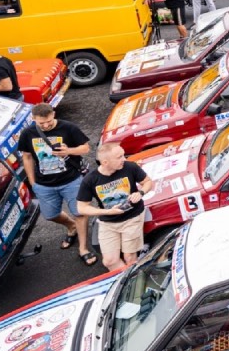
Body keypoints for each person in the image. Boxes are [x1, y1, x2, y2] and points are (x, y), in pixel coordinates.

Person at [18, 103, 95, 266]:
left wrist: (69, 151)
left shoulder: (68, 128)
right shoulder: (27, 134)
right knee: (50, 215)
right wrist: (33, 183)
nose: (45, 125)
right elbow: (27, 157)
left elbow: (86, 148)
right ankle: (71, 227)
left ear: (53, 114)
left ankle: (83, 249)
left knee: (80, 214)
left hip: (72, 180)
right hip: (44, 184)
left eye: (49, 121)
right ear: (34, 119)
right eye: (41, 123)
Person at [77, 142, 152, 271]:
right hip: (108, 223)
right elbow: (82, 208)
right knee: (109, 261)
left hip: (132, 217)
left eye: (123, 155)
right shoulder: (90, 180)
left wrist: (140, 193)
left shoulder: (130, 167)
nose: (124, 159)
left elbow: (148, 182)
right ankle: (129, 277)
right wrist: (107, 212)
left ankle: (131, 283)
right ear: (105, 162)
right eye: (119, 157)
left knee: (130, 258)